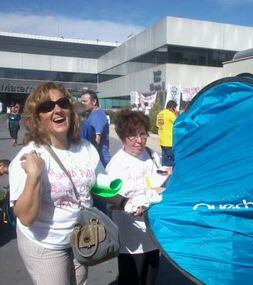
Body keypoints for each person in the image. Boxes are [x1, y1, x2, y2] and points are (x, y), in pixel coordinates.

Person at [8, 82, 133, 285]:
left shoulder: (85, 148)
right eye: (47, 107)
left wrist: (125, 202)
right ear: (37, 117)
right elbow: (26, 217)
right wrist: (34, 175)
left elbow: (96, 186)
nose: (57, 109)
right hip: (45, 244)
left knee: (79, 280)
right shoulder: (30, 156)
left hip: (79, 236)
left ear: (70, 109)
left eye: (62, 103)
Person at [106, 110, 165, 285]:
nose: (139, 140)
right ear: (123, 137)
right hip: (130, 240)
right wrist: (149, 195)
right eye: (132, 136)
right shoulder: (115, 166)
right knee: (131, 280)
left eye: (142, 134)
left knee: (150, 279)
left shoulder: (151, 155)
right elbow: (113, 203)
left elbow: (159, 181)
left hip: (152, 235)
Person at [80, 90, 111, 167]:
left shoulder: (98, 117)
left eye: (84, 101)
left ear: (94, 102)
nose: (82, 104)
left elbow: (96, 142)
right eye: (81, 101)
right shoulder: (92, 114)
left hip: (100, 160)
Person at [156, 100, 178, 167]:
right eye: (175, 108)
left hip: (162, 141)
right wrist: (176, 115)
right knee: (174, 161)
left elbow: (157, 126)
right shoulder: (170, 114)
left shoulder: (160, 114)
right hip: (169, 141)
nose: (175, 109)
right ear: (172, 107)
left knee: (165, 161)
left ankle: (165, 174)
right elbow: (178, 123)